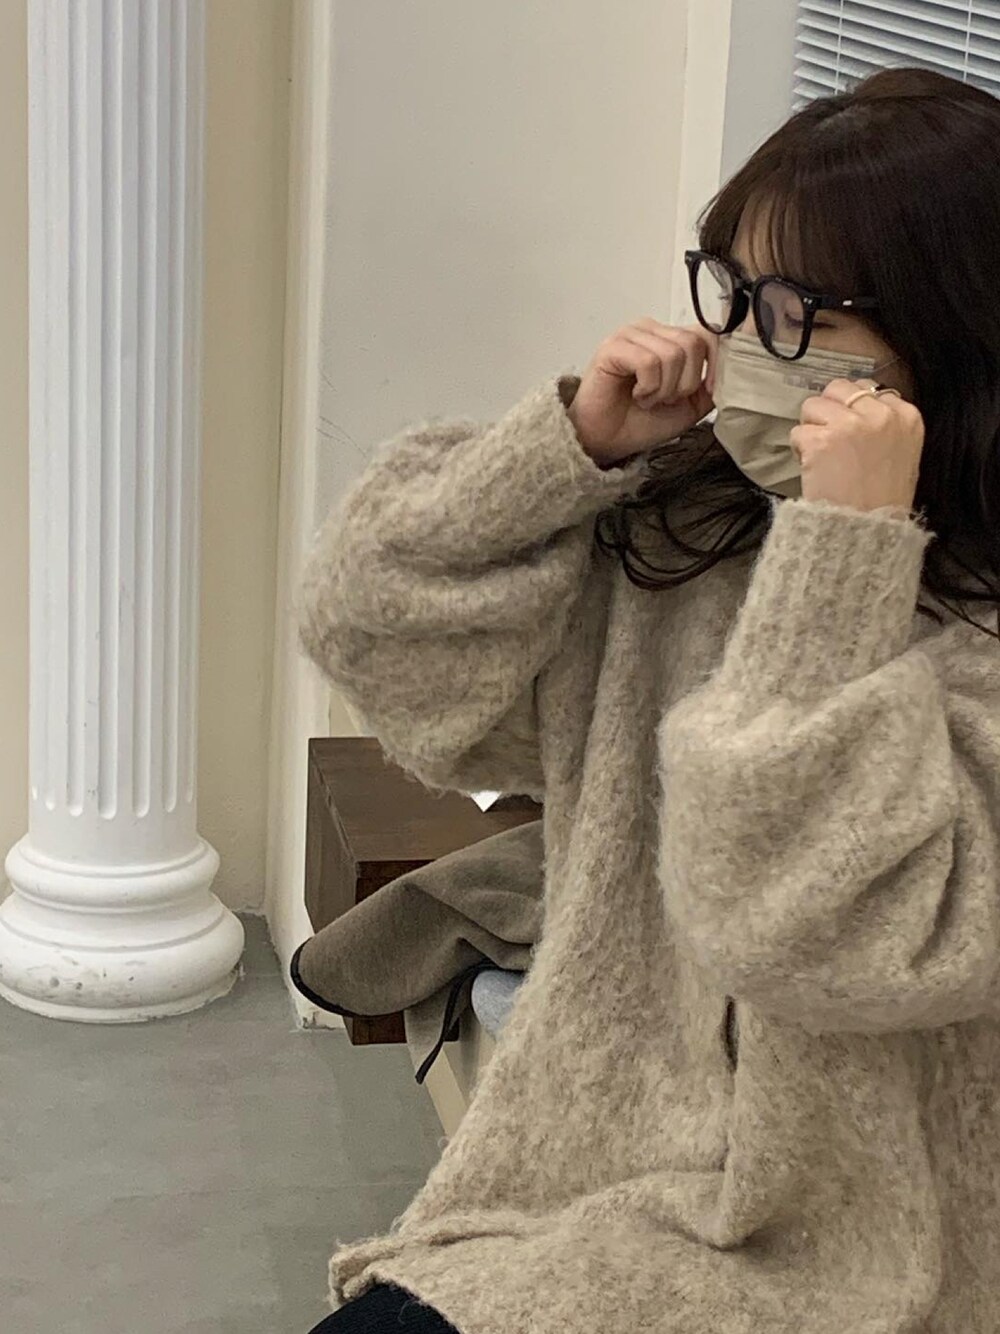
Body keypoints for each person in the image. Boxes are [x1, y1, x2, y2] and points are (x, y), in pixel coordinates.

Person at [300, 65, 1000, 1334]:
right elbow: (370, 625)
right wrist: (566, 450)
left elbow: (800, 931)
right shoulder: (687, 530)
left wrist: (843, 559)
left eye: (793, 310)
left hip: (879, 1223)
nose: (743, 343)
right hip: (608, 1145)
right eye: (731, 289)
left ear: (948, 331)